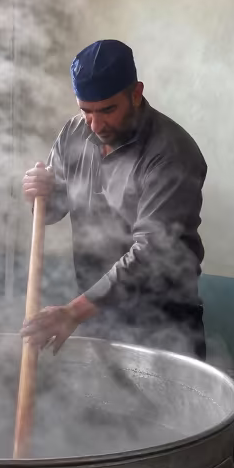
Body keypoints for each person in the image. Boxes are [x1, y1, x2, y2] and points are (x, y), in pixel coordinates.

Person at [20, 39, 209, 360]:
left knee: (168, 409)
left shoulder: (169, 153)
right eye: (86, 111)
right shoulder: (74, 133)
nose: (96, 125)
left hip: (161, 319)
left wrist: (72, 312)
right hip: (96, 313)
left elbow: (153, 252)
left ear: (136, 93)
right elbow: (52, 210)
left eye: (108, 110)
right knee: (105, 406)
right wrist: (40, 193)